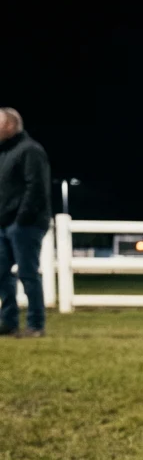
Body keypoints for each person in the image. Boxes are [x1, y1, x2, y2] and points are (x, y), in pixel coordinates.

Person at [0, 108, 52, 338]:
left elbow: (37, 188)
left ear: (10, 125)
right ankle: (9, 322)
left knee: (28, 273)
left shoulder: (30, 150)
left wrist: (21, 219)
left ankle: (35, 325)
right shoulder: (5, 153)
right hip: (5, 224)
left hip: (25, 225)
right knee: (2, 273)